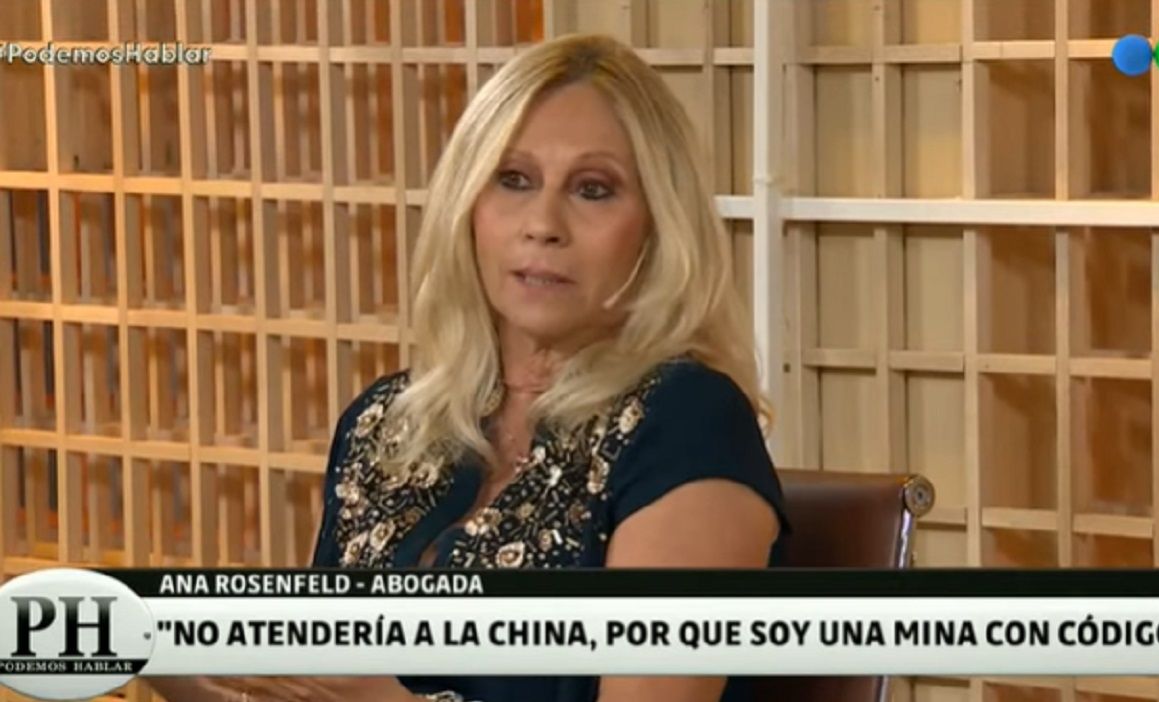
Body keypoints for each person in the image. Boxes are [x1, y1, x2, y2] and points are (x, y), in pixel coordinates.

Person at [146, 31, 789, 702]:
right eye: (513, 180)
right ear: (467, 207)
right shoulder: (386, 424)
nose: (542, 224)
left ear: (659, 230)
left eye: (593, 190)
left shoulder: (689, 422)